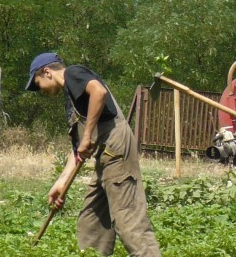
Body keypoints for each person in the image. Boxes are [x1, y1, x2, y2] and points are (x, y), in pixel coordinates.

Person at [25, 52, 161, 256]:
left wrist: (88, 135)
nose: (40, 91)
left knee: (127, 218)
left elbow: (99, 91)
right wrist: (61, 183)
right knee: (91, 220)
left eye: (38, 84)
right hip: (105, 156)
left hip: (115, 150)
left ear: (47, 72)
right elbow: (78, 151)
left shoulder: (72, 73)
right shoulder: (72, 97)